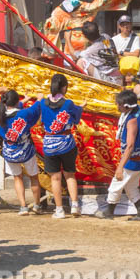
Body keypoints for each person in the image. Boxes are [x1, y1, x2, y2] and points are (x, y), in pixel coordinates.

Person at [96, 89, 140, 221]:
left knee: (116, 184)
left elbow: (130, 146)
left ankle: (109, 211)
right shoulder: (138, 113)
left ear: (126, 106)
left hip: (133, 159)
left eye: (119, 104)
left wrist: (120, 167)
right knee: (131, 185)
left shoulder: (131, 120)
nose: (117, 107)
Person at [38, 74, 84, 218]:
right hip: (66, 143)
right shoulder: (68, 103)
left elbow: (39, 122)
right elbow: (76, 119)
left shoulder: (43, 103)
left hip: (50, 144)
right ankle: (75, 205)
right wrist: (81, 107)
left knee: (55, 178)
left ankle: (59, 210)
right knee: (70, 175)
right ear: (64, 87)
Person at [0, 90, 44, 215]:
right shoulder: (24, 114)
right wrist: (39, 98)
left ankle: (23, 206)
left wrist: (25, 100)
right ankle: (37, 205)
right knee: (33, 177)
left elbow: (15, 110)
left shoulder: (1, 114)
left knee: (17, 177)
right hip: (25, 150)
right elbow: (35, 109)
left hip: (9, 150)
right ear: (17, 101)